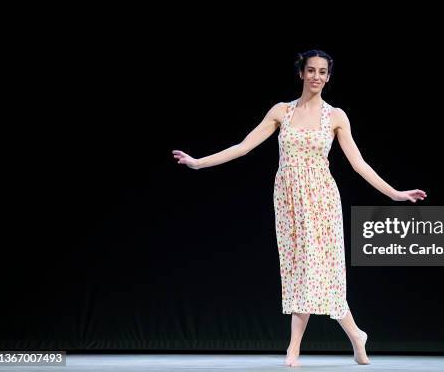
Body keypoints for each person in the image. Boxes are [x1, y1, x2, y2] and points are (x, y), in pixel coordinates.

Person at [172, 49, 427, 367]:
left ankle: (294, 348)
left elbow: (359, 163)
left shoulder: (335, 116)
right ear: (301, 73)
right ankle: (356, 335)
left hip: (321, 201)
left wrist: (395, 194)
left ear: (328, 76)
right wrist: (198, 163)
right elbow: (243, 146)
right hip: (289, 202)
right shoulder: (282, 111)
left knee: (319, 272)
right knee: (299, 272)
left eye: (323, 72)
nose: (316, 76)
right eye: (311, 70)